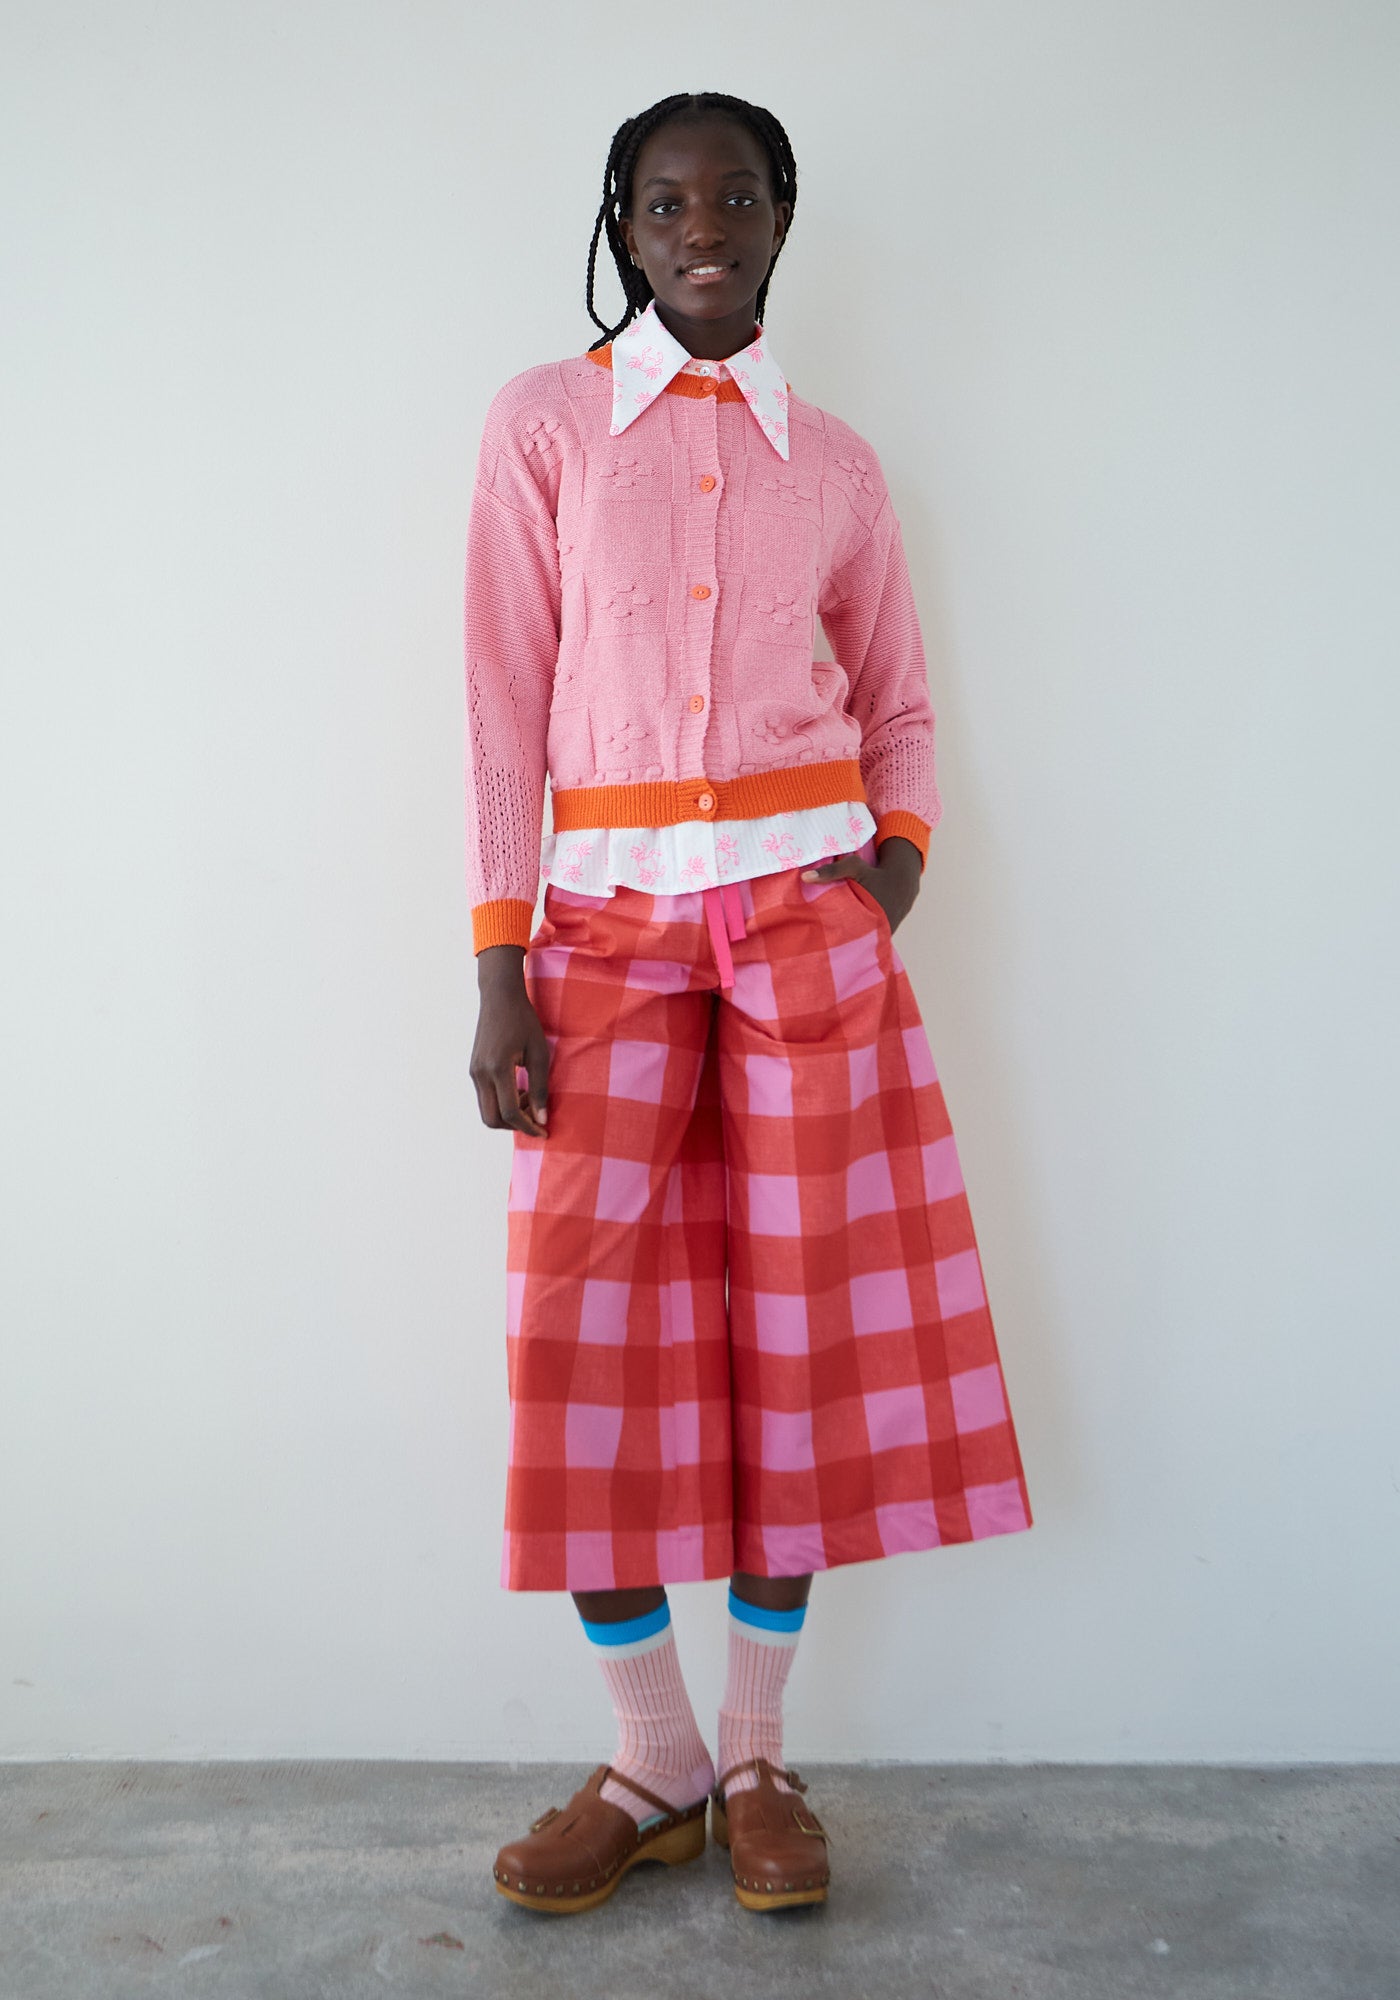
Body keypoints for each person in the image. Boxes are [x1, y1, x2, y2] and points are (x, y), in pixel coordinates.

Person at [463, 90, 1034, 1916]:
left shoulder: (837, 465)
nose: (699, 226)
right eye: (662, 202)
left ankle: (762, 1750)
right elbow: (501, 704)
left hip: (806, 932)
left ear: (783, 216)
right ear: (623, 229)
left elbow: (902, 701)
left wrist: (891, 878)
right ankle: (655, 1756)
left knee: (805, 1335)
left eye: (732, 196)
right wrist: (497, 967)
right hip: (604, 937)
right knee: (587, 1345)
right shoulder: (544, 426)